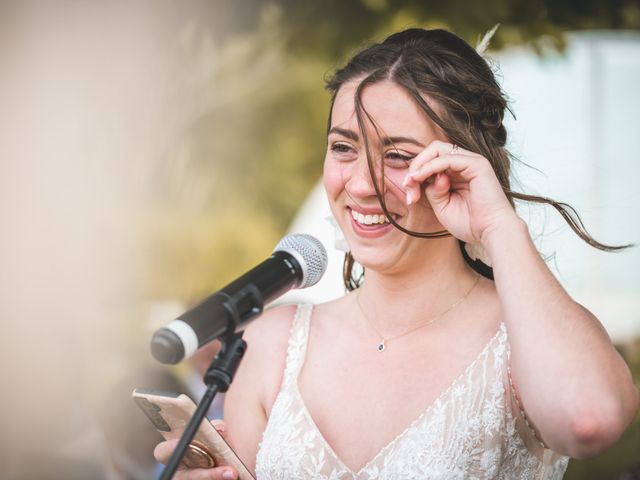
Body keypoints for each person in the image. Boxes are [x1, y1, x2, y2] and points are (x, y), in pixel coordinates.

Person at [154, 28, 639, 479]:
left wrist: (499, 227)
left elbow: (588, 421)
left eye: (399, 156)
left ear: (463, 166)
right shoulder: (271, 347)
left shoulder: (528, 337)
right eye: (344, 147)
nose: (362, 185)